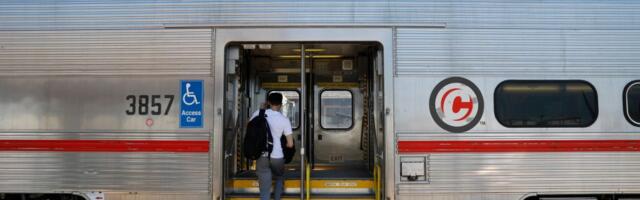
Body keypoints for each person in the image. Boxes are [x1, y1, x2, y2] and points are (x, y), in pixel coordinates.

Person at [250, 92, 294, 200]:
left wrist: (261, 109)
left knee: (264, 189)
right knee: (279, 176)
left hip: (262, 155)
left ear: (268, 102)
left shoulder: (258, 113)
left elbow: (249, 128)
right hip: (277, 156)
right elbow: (290, 144)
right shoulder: (284, 120)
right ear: (281, 104)